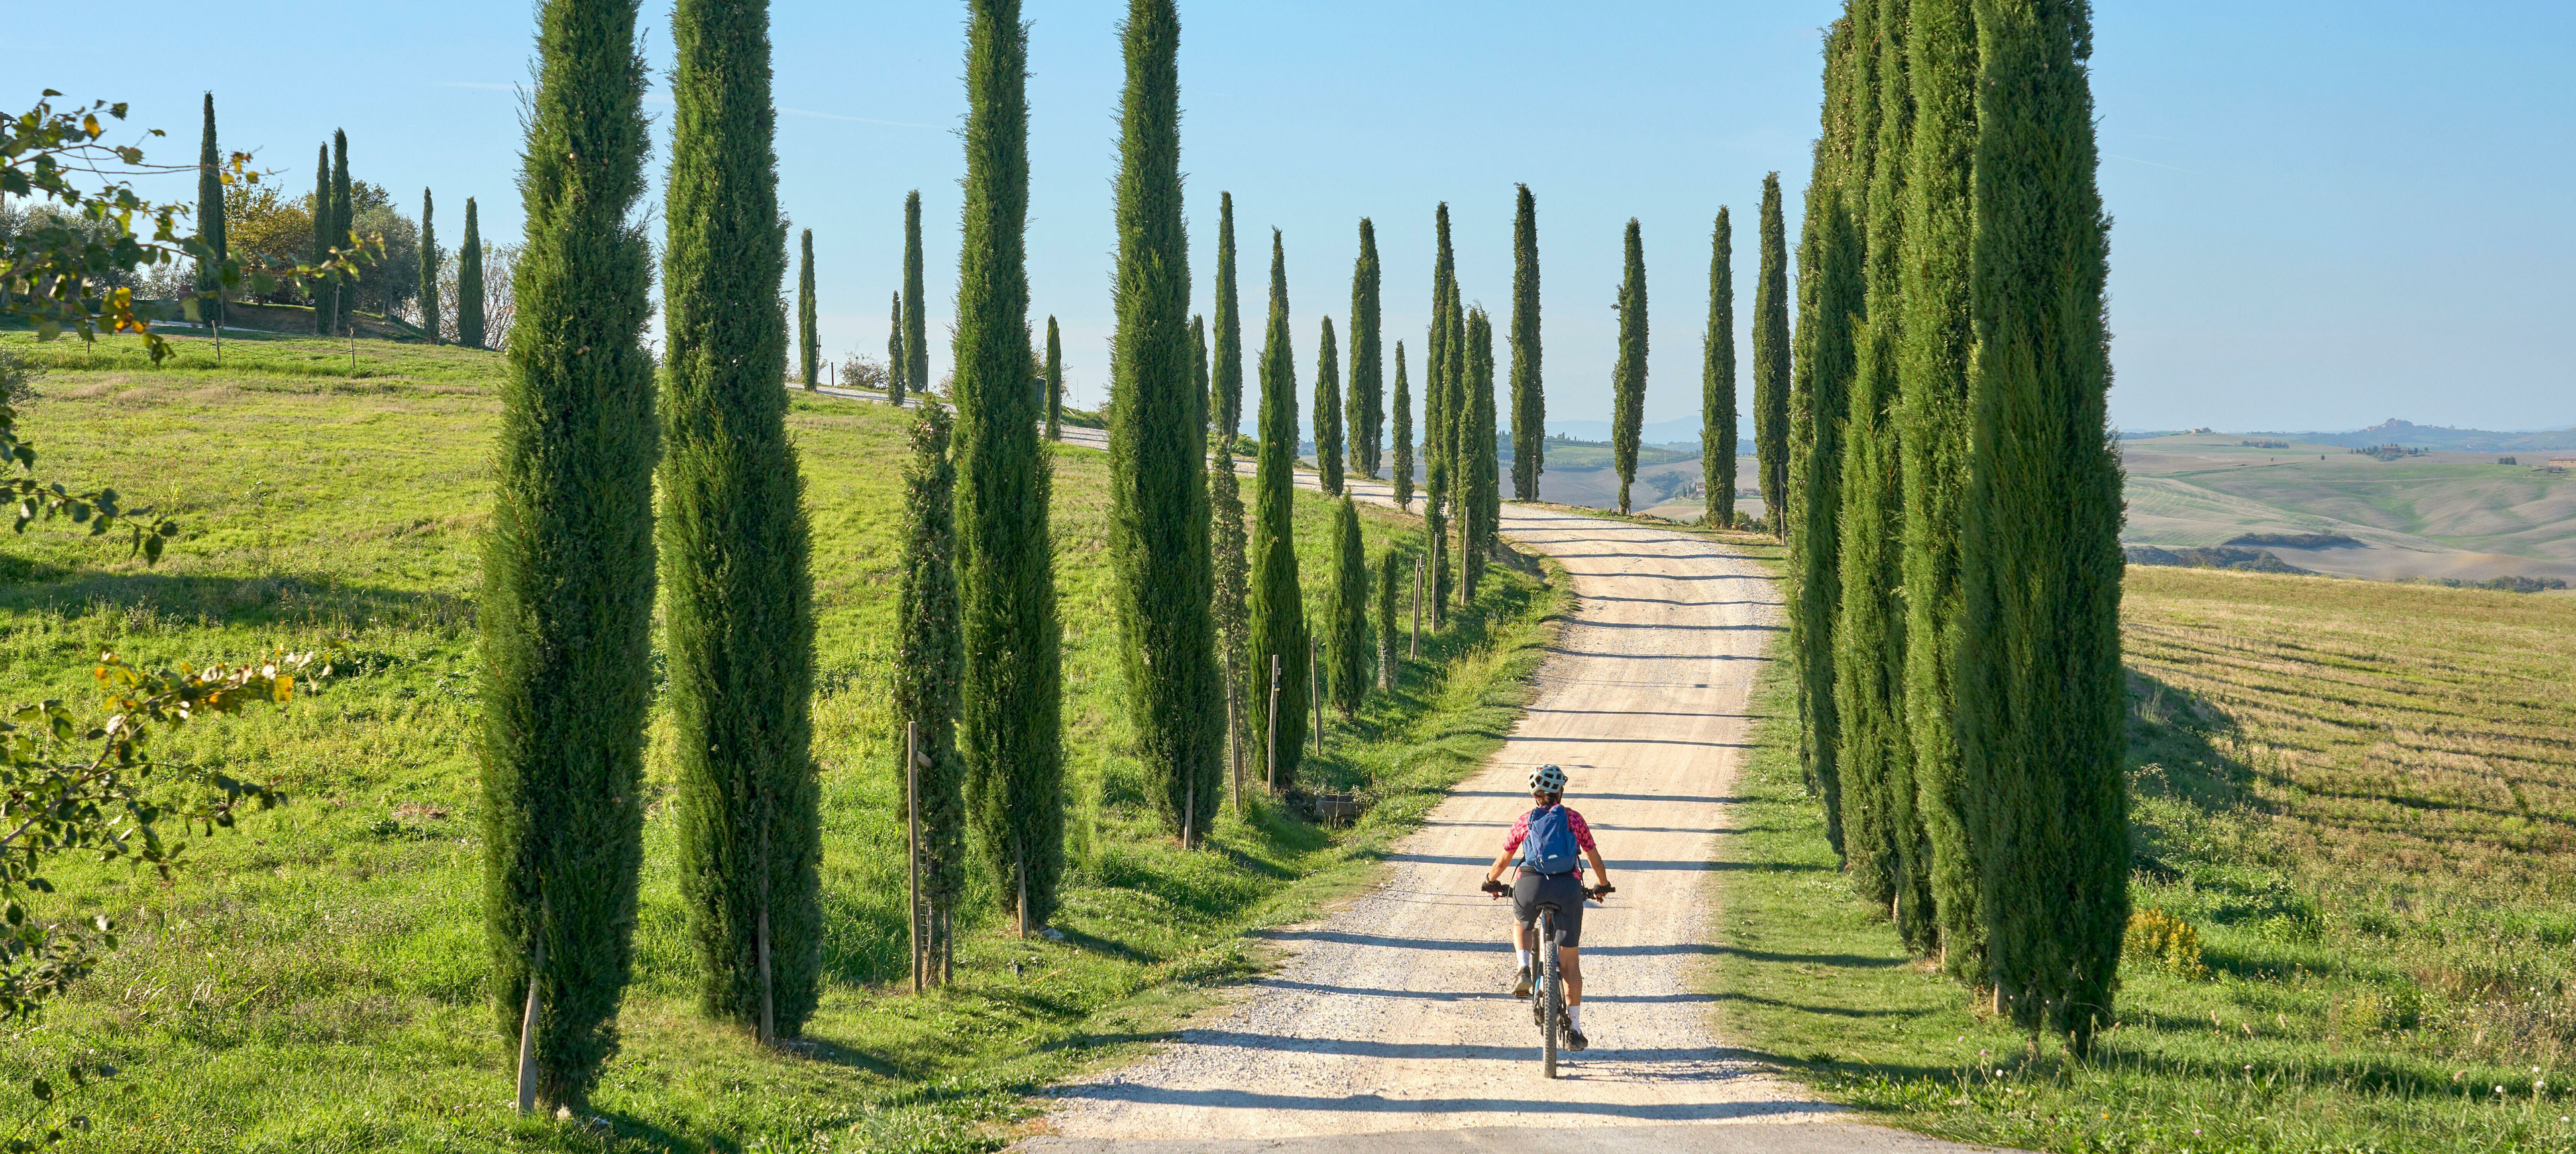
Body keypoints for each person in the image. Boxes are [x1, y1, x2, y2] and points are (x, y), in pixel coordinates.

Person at [1482, 763, 1611, 1051]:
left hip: (1530, 885)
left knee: (1522, 921)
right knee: (1570, 964)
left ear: (1536, 795)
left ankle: (1524, 968)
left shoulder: (1525, 821)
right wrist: (1601, 885)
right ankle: (1575, 1029)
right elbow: (1595, 859)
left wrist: (1491, 881)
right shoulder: (1574, 819)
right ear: (1561, 792)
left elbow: (1504, 860)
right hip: (1567, 888)